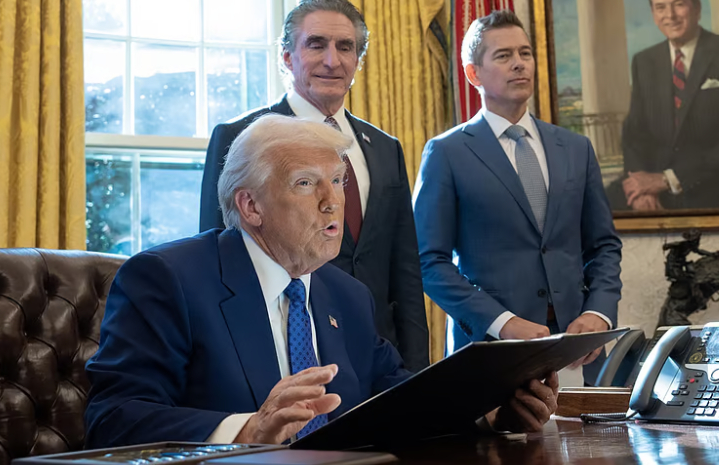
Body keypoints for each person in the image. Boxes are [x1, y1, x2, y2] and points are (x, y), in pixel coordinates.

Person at [85, 115, 560, 447]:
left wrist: (489, 412)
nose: (333, 202)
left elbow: (403, 399)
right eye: (306, 183)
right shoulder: (168, 278)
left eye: (339, 181)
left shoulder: (347, 295)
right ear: (251, 206)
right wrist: (246, 430)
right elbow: (113, 417)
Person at [198, 0, 429, 372]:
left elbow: (405, 269)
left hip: (377, 354)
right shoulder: (240, 136)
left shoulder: (385, 148)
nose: (332, 61)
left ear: (358, 60)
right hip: (281, 346)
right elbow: (217, 255)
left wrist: (418, 371)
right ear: (287, 57)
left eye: (345, 47)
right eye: (316, 44)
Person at [412, 10, 622, 384]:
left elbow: (603, 245)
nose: (519, 63)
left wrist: (599, 313)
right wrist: (503, 322)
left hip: (577, 350)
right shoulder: (446, 153)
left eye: (525, 53)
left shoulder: (576, 148)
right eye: (503, 55)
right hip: (491, 351)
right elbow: (428, 261)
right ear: (473, 73)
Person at [620, 0, 719, 211]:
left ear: (697, 9)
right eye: (661, 7)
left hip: (709, 183)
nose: (670, 15)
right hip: (653, 183)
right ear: (653, 14)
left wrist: (669, 179)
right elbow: (634, 133)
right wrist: (640, 187)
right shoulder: (644, 61)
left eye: (679, 4)